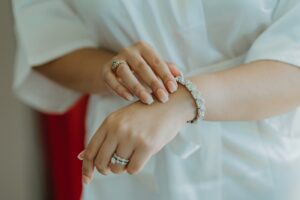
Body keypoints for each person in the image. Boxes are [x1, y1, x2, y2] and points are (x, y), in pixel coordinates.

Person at [12, 0, 300, 199]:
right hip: (130, 166)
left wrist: (180, 102)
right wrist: (119, 71)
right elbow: (45, 39)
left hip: (261, 165)